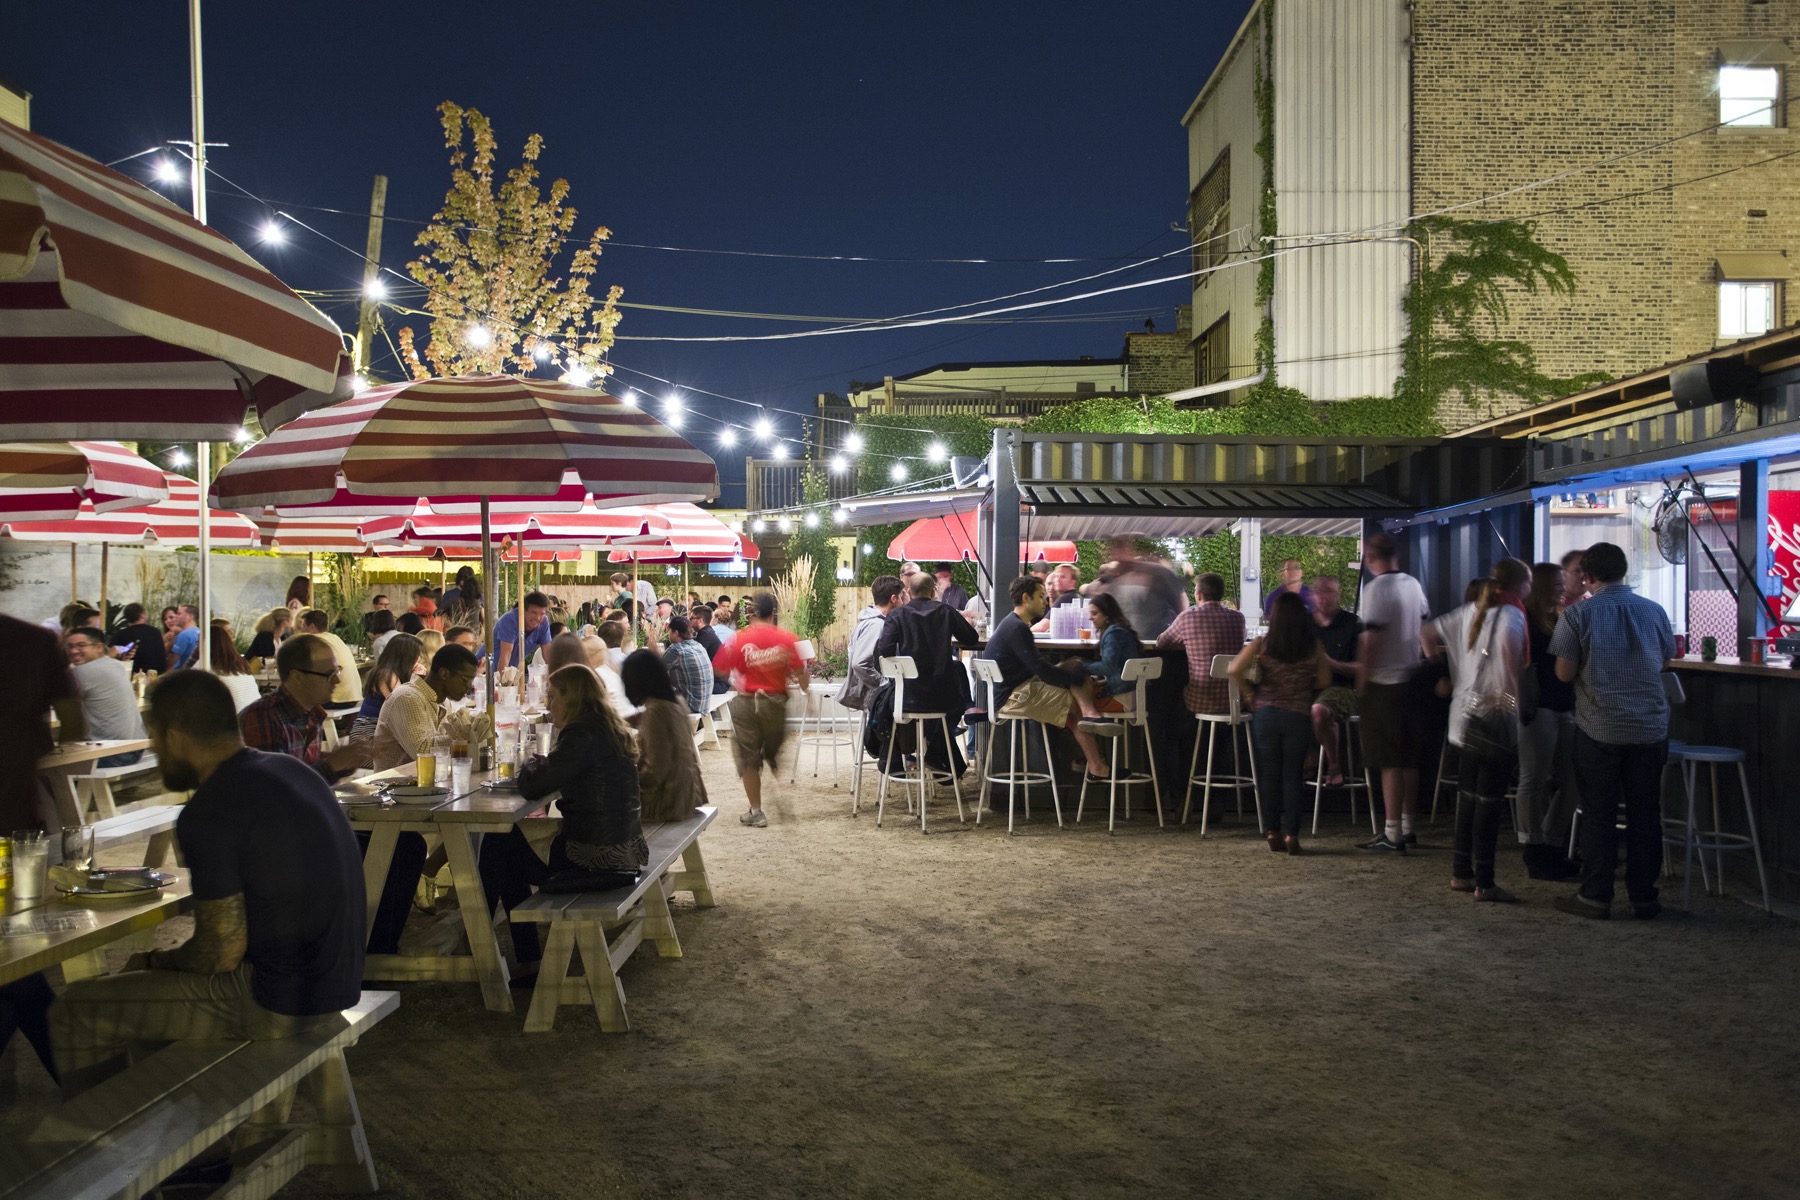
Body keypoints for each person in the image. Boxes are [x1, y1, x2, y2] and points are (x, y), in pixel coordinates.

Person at [48, 671, 365, 1098]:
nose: (157, 753)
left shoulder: (210, 810)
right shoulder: (292, 771)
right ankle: (169, 1135)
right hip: (338, 980)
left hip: (276, 999)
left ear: (175, 736)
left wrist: (156, 962)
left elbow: (220, 951)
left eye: (155, 740)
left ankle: (102, 1149)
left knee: (76, 1010)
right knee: (147, 1002)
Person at [478, 664, 647, 968]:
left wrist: (529, 763)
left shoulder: (581, 732)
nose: (548, 704)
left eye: (553, 696)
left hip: (595, 858)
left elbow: (532, 787)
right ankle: (512, 952)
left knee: (498, 842)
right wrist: (549, 764)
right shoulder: (606, 726)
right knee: (504, 845)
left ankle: (485, 946)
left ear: (572, 697)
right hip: (625, 848)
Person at [1549, 541, 1675, 920]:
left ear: (1587, 576)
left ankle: (1596, 896)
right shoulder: (1655, 611)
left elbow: (1564, 672)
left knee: (1599, 813)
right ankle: (1644, 897)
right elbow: (1666, 658)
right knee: (1645, 813)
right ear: (1624, 571)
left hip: (1599, 726)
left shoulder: (1577, 616)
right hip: (1650, 726)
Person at [1426, 559, 1530, 902]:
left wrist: (1445, 671)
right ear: (1519, 586)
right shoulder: (1513, 615)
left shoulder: (1471, 609)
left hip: (1463, 718)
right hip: (1495, 716)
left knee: (1468, 796)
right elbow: (1508, 655)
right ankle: (1485, 881)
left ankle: (1461, 872)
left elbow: (1425, 633)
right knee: (1489, 801)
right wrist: (1515, 697)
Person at [982, 575, 1112, 779]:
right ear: (1026, 598)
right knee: (1074, 703)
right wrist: (1075, 679)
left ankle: (1089, 718)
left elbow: (1037, 668)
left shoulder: (1012, 624)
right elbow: (1041, 669)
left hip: (1014, 689)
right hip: (1014, 697)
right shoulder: (1017, 628)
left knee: (1075, 663)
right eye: (1041, 596)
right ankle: (1096, 766)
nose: (1046, 601)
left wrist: (1071, 670)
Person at [1231, 591, 1330, 854]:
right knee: (1292, 776)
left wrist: (1250, 694)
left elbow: (1233, 670)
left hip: (1265, 716)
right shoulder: (1314, 647)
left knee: (1269, 774)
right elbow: (1324, 682)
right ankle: (1292, 835)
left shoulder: (1262, 644)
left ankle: (1272, 830)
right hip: (1297, 715)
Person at [1357, 532, 1431, 854]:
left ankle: (1391, 833)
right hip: (1413, 679)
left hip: (1384, 683)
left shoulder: (1376, 589)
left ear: (1370, 557)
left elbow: (1371, 639)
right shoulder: (1413, 584)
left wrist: (1362, 677)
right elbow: (1425, 624)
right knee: (1409, 759)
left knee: (1389, 760)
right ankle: (1408, 826)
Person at [710, 592, 807, 827]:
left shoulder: (737, 638)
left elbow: (719, 669)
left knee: (748, 758)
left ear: (751, 614)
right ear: (773, 613)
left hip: (746, 702)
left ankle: (757, 811)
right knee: (773, 754)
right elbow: (802, 672)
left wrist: (739, 677)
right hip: (775, 703)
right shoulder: (788, 638)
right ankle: (782, 795)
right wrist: (806, 692)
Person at [874, 573, 980, 774]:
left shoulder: (897, 615)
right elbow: (971, 638)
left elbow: (885, 651)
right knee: (959, 704)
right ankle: (934, 750)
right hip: (943, 698)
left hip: (907, 698)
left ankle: (927, 752)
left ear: (909, 592)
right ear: (933, 591)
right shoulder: (946, 611)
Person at [1517, 562, 1581, 881]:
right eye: (1556, 584)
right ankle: (1535, 846)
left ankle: (1551, 841)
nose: (1562, 588)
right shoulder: (1528, 620)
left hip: (1563, 705)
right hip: (1539, 706)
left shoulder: (1557, 617)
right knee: (1535, 778)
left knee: (1570, 778)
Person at [621, 648, 709, 822]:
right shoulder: (675, 701)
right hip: (689, 792)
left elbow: (656, 770)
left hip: (668, 801)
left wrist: (628, 784)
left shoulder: (656, 711)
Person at [371, 644, 482, 771]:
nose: (469, 686)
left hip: (429, 781)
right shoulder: (407, 698)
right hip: (394, 785)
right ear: (444, 674)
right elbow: (422, 751)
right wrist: (465, 738)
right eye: (465, 680)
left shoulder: (444, 703)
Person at [1157, 572, 1247, 717]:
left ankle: (1182, 738)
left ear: (1199, 595)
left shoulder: (1188, 617)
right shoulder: (1238, 618)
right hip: (1235, 701)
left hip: (1200, 700)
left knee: (1173, 685)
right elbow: (1243, 639)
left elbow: (1161, 643)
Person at [64, 627, 146, 767]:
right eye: (69, 646)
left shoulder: (80, 673)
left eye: (81, 646)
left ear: (99, 647)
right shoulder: (115, 664)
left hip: (113, 754)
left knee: (42, 763)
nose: (73, 651)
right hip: (136, 748)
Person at [1309, 575, 1362, 786]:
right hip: (1307, 687)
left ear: (1338, 596)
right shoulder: (1304, 623)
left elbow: (1362, 668)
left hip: (1342, 689)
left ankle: (1333, 765)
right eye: (1320, 592)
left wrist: (1330, 663)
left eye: (1329, 592)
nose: (1324, 597)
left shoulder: (1351, 623)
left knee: (1318, 711)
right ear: (1313, 596)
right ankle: (1304, 761)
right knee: (1280, 708)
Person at [1095, 538, 1187, 641]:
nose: (1118, 554)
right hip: (1128, 643)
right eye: (1116, 549)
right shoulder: (1115, 581)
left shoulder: (1160, 574)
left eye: (1122, 547)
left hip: (1155, 644)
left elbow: (1182, 606)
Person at [838, 576, 905, 712]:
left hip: (875, 696)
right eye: (901, 598)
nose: (903, 603)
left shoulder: (871, 621)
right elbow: (859, 663)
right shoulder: (876, 625)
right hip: (876, 698)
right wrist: (883, 684)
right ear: (893, 599)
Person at [351, 633, 424, 749]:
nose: (419, 659)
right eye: (417, 655)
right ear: (406, 656)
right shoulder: (386, 674)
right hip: (368, 736)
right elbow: (402, 705)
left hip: (385, 733)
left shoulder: (396, 674)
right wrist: (417, 680)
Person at [1082, 593, 1143, 712]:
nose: (1090, 618)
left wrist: (1082, 666)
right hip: (1133, 695)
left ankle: (1089, 727)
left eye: (1094, 613)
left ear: (1107, 615)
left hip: (1121, 698)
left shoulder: (1113, 634)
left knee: (1076, 704)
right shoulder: (1119, 630)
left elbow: (1108, 667)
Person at [298, 609, 363, 708]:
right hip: (354, 696)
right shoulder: (335, 638)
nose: (302, 631)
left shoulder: (315, 641)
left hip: (337, 699)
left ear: (312, 627)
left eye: (303, 627)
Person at [662, 615, 712, 716]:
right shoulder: (698, 645)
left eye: (669, 631)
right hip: (704, 702)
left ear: (675, 633)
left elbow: (655, 669)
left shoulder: (676, 649)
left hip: (690, 705)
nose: (668, 634)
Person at [493, 591, 551, 674]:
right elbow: (506, 654)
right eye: (534, 613)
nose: (538, 618)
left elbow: (547, 654)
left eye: (542, 614)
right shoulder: (510, 620)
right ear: (523, 610)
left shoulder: (544, 622)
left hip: (511, 673)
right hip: (486, 672)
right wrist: (503, 684)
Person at [207, 626, 261, 711]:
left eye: (199, 640)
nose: (197, 643)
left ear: (207, 644)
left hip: (235, 720)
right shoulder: (241, 665)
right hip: (255, 715)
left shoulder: (209, 669)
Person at [109, 602, 167, 675]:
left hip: (130, 675)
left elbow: (111, 657)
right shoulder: (155, 632)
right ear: (142, 615)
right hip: (155, 675)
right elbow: (161, 657)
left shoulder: (121, 634)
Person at [1032, 563, 1083, 632]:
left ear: (1072, 582)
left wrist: (1027, 632)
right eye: (1056, 576)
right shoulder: (1076, 597)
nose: (1058, 580)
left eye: (1063, 577)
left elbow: (1042, 627)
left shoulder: (1066, 599)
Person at [170, 604, 201, 669]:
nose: (176, 616)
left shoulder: (184, 635)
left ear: (189, 616)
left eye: (179, 614)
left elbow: (172, 662)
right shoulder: (199, 632)